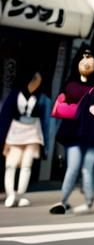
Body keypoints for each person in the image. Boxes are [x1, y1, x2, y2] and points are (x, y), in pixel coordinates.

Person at [50, 45, 94, 215]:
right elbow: (74, 94)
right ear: (77, 61)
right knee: (73, 167)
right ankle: (62, 201)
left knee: (87, 167)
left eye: (90, 57)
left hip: (92, 133)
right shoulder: (71, 84)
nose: (87, 61)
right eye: (84, 57)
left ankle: (88, 202)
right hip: (74, 132)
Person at [0, 69, 50, 208]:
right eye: (35, 81)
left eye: (39, 82)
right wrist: (3, 140)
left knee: (26, 165)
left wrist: (45, 144)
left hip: (33, 133)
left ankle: (20, 194)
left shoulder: (42, 98)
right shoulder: (15, 94)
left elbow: (46, 121)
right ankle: (11, 194)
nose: (37, 84)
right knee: (11, 164)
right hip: (15, 132)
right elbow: (5, 117)